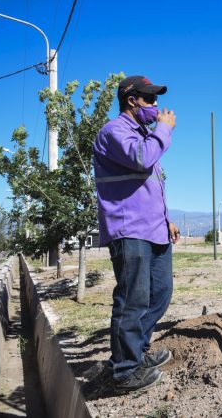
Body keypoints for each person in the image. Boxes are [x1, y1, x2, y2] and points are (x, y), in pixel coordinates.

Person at [93, 75, 179, 392]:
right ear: (132, 100)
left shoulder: (143, 134)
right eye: (150, 99)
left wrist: (167, 219)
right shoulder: (114, 132)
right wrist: (164, 128)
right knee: (132, 300)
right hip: (129, 229)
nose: (156, 105)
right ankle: (124, 370)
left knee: (159, 294)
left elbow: (151, 186)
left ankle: (138, 352)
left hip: (154, 229)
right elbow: (141, 160)